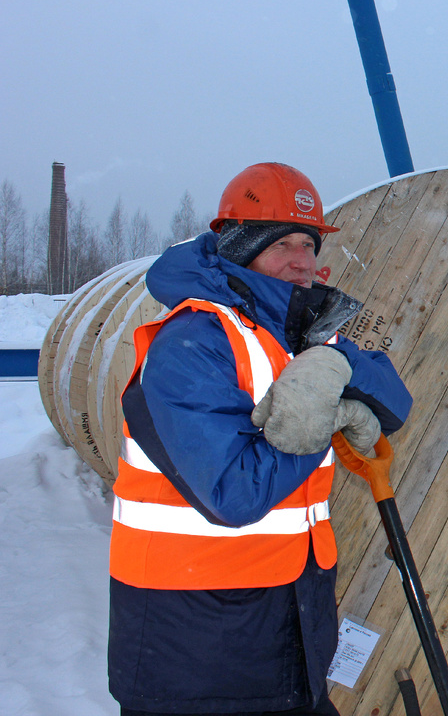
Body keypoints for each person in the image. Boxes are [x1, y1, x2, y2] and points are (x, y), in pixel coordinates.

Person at [108, 163, 412, 715]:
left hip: (289, 635)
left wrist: (338, 365)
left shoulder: (304, 335)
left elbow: (395, 403)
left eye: (309, 243)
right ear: (240, 248)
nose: (302, 260)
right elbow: (234, 493)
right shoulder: (191, 343)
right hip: (196, 659)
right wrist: (324, 417)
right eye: (282, 243)